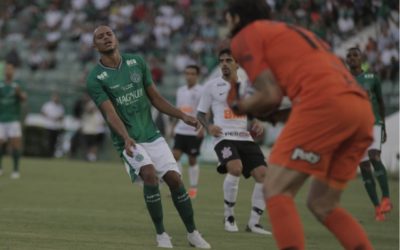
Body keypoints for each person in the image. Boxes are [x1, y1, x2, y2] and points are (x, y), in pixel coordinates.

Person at [224, 0, 374, 249]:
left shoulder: (245, 35)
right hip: (358, 110)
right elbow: (288, 94)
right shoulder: (293, 32)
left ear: (236, 18)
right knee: (322, 204)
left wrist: (241, 107)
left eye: (227, 17)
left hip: (324, 106)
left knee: (275, 188)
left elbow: (269, 94)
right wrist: (272, 113)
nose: (226, 23)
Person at [86, 25, 210, 249]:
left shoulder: (137, 62)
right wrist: (125, 137)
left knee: (175, 179)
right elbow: (109, 113)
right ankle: (162, 235)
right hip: (127, 140)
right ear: (95, 46)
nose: (106, 38)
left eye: (109, 34)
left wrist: (183, 116)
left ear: (115, 38)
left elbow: (156, 98)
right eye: (100, 37)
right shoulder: (95, 78)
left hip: (151, 135)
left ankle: (193, 233)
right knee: (150, 175)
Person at [197, 49, 271, 235]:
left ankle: (254, 223)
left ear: (237, 64)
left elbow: (250, 109)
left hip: (244, 136)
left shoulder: (246, 86)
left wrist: (255, 121)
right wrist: (209, 126)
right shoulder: (211, 86)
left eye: (228, 60)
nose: (224, 63)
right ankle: (228, 216)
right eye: (221, 60)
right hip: (223, 136)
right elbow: (200, 113)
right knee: (235, 168)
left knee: (264, 175)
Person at [346, 47, 392, 221]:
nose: (351, 58)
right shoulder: (344, 80)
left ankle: (387, 198)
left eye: (355, 55)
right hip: (355, 129)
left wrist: (384, 126)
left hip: (373, 123)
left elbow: (380, 102)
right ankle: (377, 208)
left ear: (362, 58)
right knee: (364, 167)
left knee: (374, 156)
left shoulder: (372, 78)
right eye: (348, 56)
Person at [171, 65, 204, 199]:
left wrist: (202, 127)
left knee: (192, 159)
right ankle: (178, 187)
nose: (189, 76)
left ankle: (193, 189)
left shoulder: (202, 91)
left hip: (194, 131)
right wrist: (173, 126)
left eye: (192, 74)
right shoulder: (180, 91)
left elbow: (205, 111)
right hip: (180, 130)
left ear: (197, 76)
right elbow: (178, 111)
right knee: (175, 157)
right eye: (187, 73)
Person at [0, 62, 27, 179]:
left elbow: (24, 98)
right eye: (7, 69)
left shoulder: (18, 85)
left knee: (15, 145)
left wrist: (19, 93)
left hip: (13, 119)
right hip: (1, 119)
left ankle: (15, 170)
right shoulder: (0, 85)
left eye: (10, 69)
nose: (8, 71)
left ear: (13, 72)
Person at [41, 92, 65, 157]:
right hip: (48, 126)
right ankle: (45, 154)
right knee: (47, 141)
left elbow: (62, 116)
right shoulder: (47, 105)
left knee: (54, 142)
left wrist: (57, 118)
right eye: (55, 97)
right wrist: (50, 117)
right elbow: (43, 113)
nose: (56, 99)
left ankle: (51, 155)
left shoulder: (60, 106)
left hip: (56, 127)